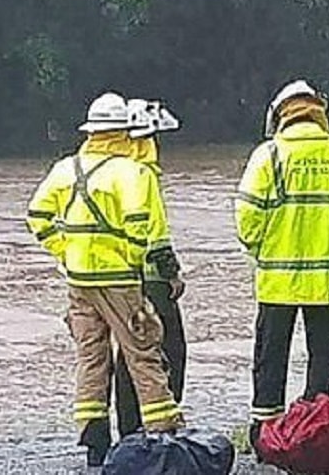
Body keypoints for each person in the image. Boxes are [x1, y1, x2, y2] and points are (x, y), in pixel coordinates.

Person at [26, 92, 185, 468]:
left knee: (91, 357)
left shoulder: (66, 168)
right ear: (124, 132)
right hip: (119, 280)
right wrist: (130, 261)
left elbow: (37, 216)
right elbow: (140, 227)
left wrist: (64, 251)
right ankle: (160, 438)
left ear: (92, 131)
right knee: (144, 353)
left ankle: (95, 442)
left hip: (79, 280)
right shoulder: (133, 173)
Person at [235, 80, 329, 446]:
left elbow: (247, 214)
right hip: (327, 279)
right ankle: (315, 430)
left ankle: (264, 432)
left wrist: (261, 247)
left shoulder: (269, 154)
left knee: (270, 356)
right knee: (323, 356)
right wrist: (328, 233)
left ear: (280, 115)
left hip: (277, 279)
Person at [113, 99, 187, 439]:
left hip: (114, 278)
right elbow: (156, 234)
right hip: (150, 278)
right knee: (169, 349)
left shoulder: (106, 173)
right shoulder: (143, 176)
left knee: (127, 352)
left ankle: (128, 429)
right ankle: (164, 424)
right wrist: (172, 274)